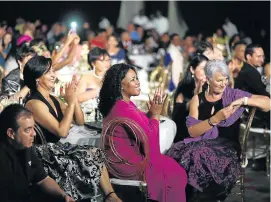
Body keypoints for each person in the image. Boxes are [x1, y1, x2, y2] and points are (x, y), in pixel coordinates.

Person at [166, 60, 270, 201]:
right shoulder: (197, 100)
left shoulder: (233, 95)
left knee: (196, 156)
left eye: (226, 79)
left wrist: (244, 100)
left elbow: (267, 103)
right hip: (199, 144)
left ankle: (200, 197)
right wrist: (214, 119)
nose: (224, 83)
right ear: (208, 80)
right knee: (180, 156)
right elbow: (192, 132)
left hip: (226, 150)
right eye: (219, 80)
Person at [23, 56, 121, 202]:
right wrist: (69, 103)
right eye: (49, 72)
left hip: (56, 149)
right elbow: (62, 131)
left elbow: (80, 121)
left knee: (95, 151)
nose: (53, 76)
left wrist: (73, 99)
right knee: (87, 154)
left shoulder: (53, 98)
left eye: (53, 71)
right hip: (45, 156)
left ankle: (109, 195)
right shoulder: (34, 104)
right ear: (37, 79)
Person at [98, 63, 188, 202]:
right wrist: (156, 115)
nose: (138, 82)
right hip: (131, 167)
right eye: (132, 79)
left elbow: (140, 124)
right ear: (121, 85)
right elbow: (151, 141)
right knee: (176, 172)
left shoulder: (122, 104)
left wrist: (152, 113)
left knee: (174, 165)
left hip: (122, 162)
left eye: (137, 78)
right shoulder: (124, 109)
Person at [0, 104, 75, 202]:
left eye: (33, 128)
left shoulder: (25, 147)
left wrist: (62, 195)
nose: (34, 134)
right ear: (11, 133)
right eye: (28, 130)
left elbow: (42, 179)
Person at [173, 55, 209, 143]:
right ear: (192, 69)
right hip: (185, 133)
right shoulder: (184, 88)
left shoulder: (209, 88)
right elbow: (177, 117)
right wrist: (194, 99)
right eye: (203, 68)